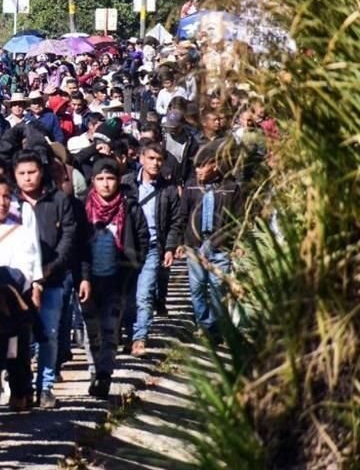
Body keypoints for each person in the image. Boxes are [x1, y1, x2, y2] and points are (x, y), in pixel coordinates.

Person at [14, 150, 78, 409]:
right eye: (22, 173)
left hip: (52, 279)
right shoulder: (11, 202)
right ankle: (22, 386)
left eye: (32, 172)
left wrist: (50, 268)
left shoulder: (59, 200)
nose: (27, 178)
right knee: (21, 337)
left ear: (41, 172)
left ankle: (45, 386)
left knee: (48, 334)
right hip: (17, 283)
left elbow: (68, 238)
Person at [81, 159, 148, 397]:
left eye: (110, 178)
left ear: (118, 180)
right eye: (100, 179)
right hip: (88, 281)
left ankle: (104, 374)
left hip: (117, 280)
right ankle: (94, 369)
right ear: (93, 181)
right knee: (91, 331)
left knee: (110, 330)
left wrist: (132, 267)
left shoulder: (129, 207)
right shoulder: (83, 207)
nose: (105, 184)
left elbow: (142, 239)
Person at [0, 175, 41, 413]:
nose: (1, 202)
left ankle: (18, 393)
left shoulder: (20, 233)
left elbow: (25, 270)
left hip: (9, 304)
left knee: (13, 355)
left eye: (6, 196)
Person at [121, 141, 184, 356]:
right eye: (151, 158)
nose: (155, 163)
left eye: (159, 160)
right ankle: (129, 334)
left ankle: (140, 338)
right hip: (128, 246)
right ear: (141, 159)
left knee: (145, 294)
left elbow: (176, 220)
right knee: (127, 296)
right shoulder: (127, 183)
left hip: (153, 246)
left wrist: (170, 247)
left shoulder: (168, 190)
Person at [181, 140, 243, 342]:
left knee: (218, 288)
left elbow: (238, 218)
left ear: (214, 165)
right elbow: (183, 215)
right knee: (197, 287)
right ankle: (206, 324)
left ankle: (216, 326)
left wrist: (237, 243)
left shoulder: (231, 188)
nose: (198, 170)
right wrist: (181, 242)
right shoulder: (191, 186)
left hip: (220, 245)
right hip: (196, 245)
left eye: (202, 166)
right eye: (196, 166)